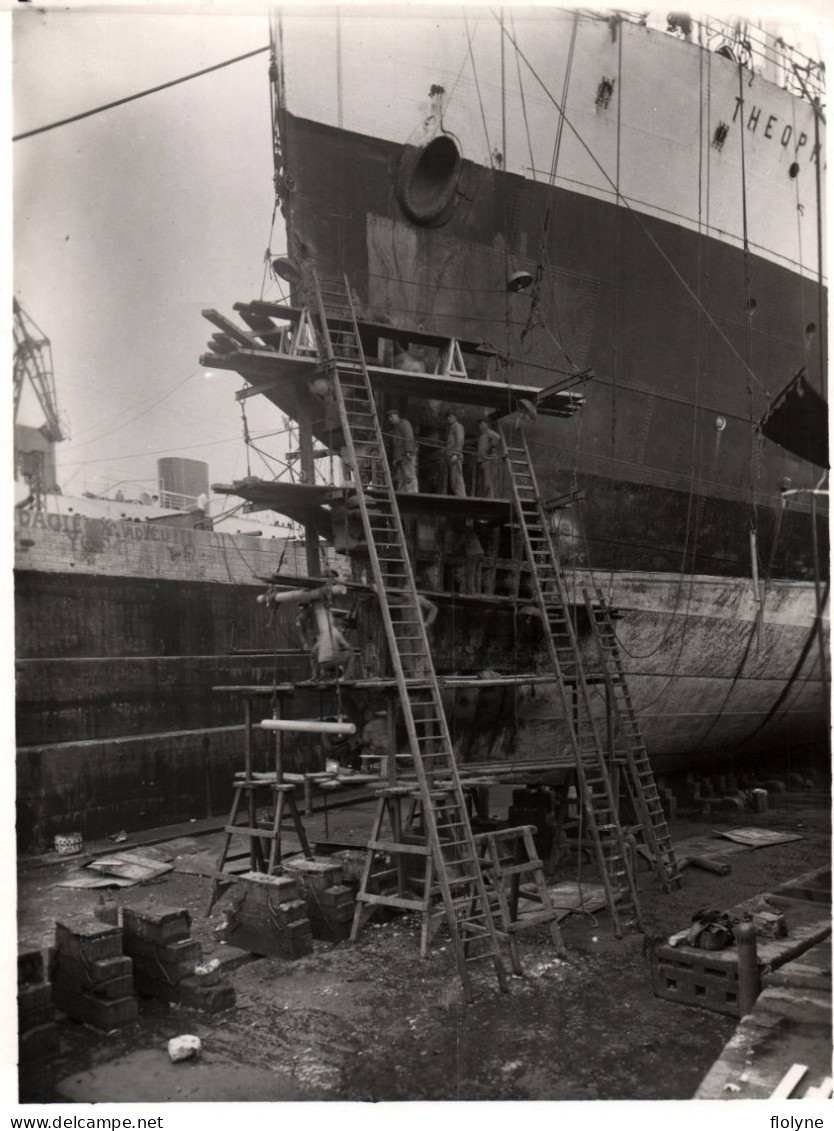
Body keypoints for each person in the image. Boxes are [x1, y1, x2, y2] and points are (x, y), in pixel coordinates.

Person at [387, 409, 419, 494]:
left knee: (409, 476)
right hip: (400, 457)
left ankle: (412, 494)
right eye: (389, 417)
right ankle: (402, 494)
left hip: (406, 455)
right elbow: (395, 445)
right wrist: (395, 459)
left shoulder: (404, 423)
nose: (390, 419)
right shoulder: (395, 427)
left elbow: (408, 437)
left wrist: (408, 451)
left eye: (391, 416)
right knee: (401, 478)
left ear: (397, 415)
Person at [475, 418, 502, 498]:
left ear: (487, 424)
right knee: (483, 483)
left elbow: (498, 438)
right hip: (481, 461)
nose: (480, 425)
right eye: (479, 424)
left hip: (487, 461)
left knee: (488, 483)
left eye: (482, 423)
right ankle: (486, 498)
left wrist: (489, 448)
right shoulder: (482, 435)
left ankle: (490, 499)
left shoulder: (489, 432)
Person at [442, 411, 466, 497]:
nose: (448, 418)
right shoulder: (451, 427)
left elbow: (460, 441)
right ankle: (459, 496)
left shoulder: (457, 427)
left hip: (454, 456)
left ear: (455, 417)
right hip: (450, 456)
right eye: (447, 417)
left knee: (457, 479)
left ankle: (462, 498)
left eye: (450, 416)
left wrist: (456, 454)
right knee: (453, 480)